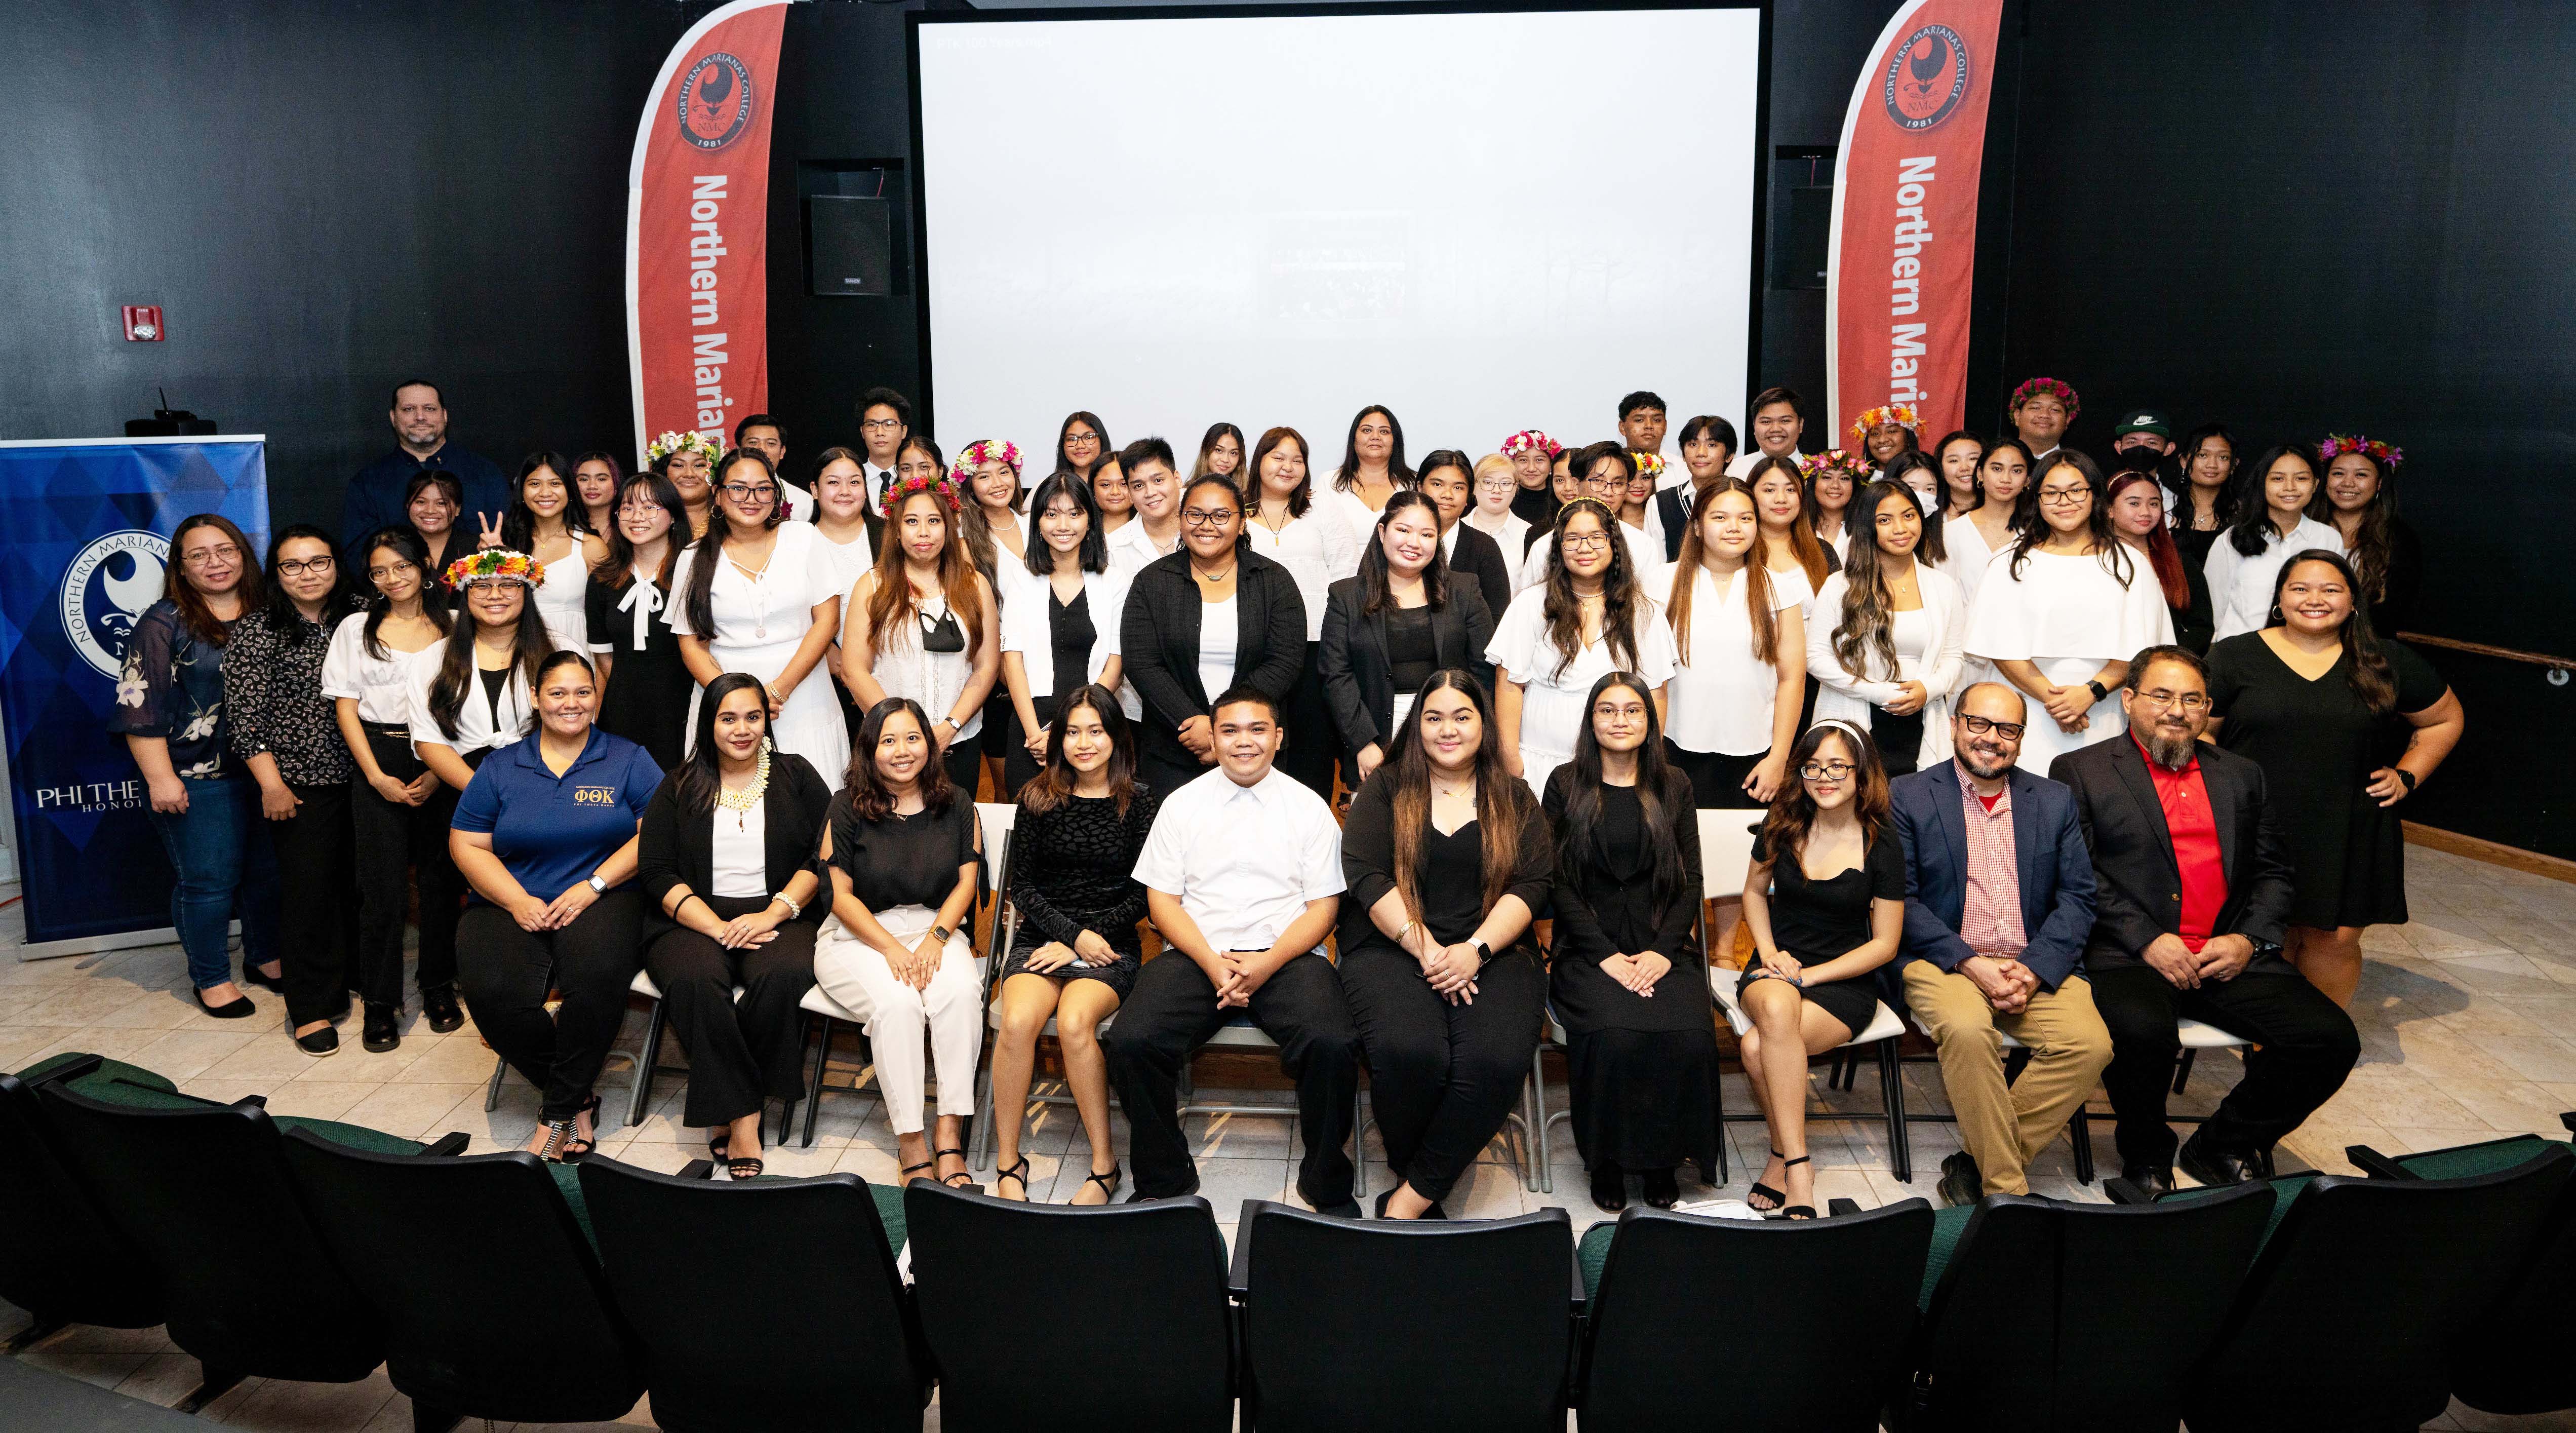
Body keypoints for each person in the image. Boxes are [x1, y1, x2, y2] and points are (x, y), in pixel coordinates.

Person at [2053, 646, 2362, 1191]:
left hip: (2226, 954)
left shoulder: (2241, 775)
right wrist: (2147, 940)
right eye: (2162, 695)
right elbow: (2077, 876)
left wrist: (2246, 940)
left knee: (2328, 1038)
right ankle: (2146, 1159)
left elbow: (2273, 871)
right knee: (2142, 1032)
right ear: (2128, 701)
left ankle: (2223, 1144)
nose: (2177, 709)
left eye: (2191, 699)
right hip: (2131, 955)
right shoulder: (2082, 770)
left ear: (2207, 708)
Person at [1104, 685, 1360, 1212]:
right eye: (1230, 730)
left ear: (1278, 738)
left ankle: (1323, 1180)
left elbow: (1323, 909)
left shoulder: (1308, 807)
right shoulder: (1182, 804)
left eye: (1257, 729)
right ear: (1213, 740)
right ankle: (1164, 1179)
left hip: (1285, 956)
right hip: (1198, 953)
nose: (1244, 742)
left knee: (1332, 1043)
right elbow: (1162, 902)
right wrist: (1210, 961)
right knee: (1131, 1040)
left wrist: (1264, 966)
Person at [2205, 553, 2462, 1008]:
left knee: (2334, 940)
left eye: (2331, 589)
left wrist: (2407, 775)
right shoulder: (2233, 656)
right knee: (2268, 933)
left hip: (2348, 823)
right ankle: (2268, 1039)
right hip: (2255, 821)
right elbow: (2202, 732)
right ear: (2279, 600)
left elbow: (2444, 719)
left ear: (2353, 601)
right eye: (2300, 588)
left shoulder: (2385, 659)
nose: (2314, 599)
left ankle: (2317, 1042)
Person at [1888, 683, 2113, 1202]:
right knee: (1967, 1030)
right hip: (1942, 961)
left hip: (2030, 959)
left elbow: (2078, 897)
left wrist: (2033, 968)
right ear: (1954, 725)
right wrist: (1971, 964)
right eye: (1979, 724)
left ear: (2020, 736)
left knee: (2089, 1045)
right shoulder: (1907, 794)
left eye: (2006, 729)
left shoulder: (2053, 800)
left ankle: (1974, 1162)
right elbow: (1900, 900)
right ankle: (2006, 1191)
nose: (1991, 739)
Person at [1343, 670, 1551, 1219]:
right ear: (1416, 727)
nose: (1447, 730)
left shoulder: (1514, 795)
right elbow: (1364, 874)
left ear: (1484, 725)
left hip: (1496, 950)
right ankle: (1423, 1176)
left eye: (1462, 717)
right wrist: (1427, 949)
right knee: (1411, 1053)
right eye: (1433, 718)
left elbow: (1532, 885)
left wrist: (1474, 951)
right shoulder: (1384, 789)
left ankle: (1410, 1198)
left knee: (1491, 1057)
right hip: (1393, 945)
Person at [450, 650, 661, 1161]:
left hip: (605, 897)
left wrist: (593, 885)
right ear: (536, 698)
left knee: (595, 981)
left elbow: (652, 835)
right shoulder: (501, 765)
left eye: (583, 692)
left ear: (596, 696)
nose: (572, 703)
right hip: (510, 898)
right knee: (491, 993)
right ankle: (575, 1092)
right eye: (559, 693)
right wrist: (516, 900)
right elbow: (466, 844)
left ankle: (561, 1113)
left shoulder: (628, 758)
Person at [636, 673, 829, 1181]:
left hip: (780, 913)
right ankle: (746, 1111)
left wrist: (772, 914)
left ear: (766, 721)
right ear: (709, 724)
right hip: (691, 917)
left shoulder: (796, 775)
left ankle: (736, 1110)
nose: (742, 729)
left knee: (781, 974)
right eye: (728, 718)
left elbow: (824, 855)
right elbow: (656, 869)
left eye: (753, 717)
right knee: (697, 979)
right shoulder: (678, 783)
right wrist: (716, 927)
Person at [1546, 672, 1715, 1212]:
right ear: (1590, 721)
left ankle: (1663, 1160)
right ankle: (1610, 1161)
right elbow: (1555, 883)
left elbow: (1691, 880)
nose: (1620, 720)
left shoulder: (1675, 785)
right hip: (1587, 952)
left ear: (1649, 722)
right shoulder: (1563, 783)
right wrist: (1606, 958)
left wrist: (1663, 953)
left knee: (1686, 1034)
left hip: (1663, 949)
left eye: (1632, 710)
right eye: (1607, 710)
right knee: (1615, 1036)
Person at [987, 684, 1158, 1205]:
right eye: (1073, 732)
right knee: (1017, 1021)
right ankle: (1008, 1160)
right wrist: (1069, 937)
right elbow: (1024, 888)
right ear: (1058, 739)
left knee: (1075, 1022)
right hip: (1043, 939)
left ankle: (1104, 1168)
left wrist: (1086, 940)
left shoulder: (1141, 802)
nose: (1084, 743)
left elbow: (1146, 895)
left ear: (1115, 736)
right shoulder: (1037, 797)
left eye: (1096, 731)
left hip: (1110, 943)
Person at [1736, 721, 1907, 1220]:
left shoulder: (1883, 843)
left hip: (1842, 983)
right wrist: (1768, 954)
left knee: (1753, 1047)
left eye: (1836, 766)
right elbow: (1751, 894)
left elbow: (1885, 944)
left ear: (1860, 772)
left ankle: (1777, 1156)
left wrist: (1809, 977)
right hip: (1774, 966)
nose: (1823, 777)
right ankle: (1800, 1168)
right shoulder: (1781, 823)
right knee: (1773, 1002)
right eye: (1812, 766)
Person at [811, 698, 985, 1187]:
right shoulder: (844, 806)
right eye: (888, 740)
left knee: (958, 993)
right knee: (899, 1004)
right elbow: (840, 898)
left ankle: (948, 1137)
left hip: (936, 928)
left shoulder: (956, 802)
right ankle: (911, 1141)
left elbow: (965, 884)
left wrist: (935, 940)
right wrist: (891, 948)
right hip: (858, 935)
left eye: (913, 738)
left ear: (929, 746)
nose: (902, 750)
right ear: (869, 749)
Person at [112, 515, 280, 1017]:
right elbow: (138, 705)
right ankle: (210, 978)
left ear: (243, 555)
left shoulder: (271, 611)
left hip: (268, 773)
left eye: (224, 550)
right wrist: (161, 777)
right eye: (199, 555)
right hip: (196, 776)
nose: (215, 563)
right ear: (181, 569)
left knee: (265, 874)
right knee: (209, 883)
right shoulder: (164, 623)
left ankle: (266, 957)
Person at [325, 527, 466, 1051]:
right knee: (381, 892)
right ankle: (381, 1002)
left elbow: (464, 702)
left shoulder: (454, 625)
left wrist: (437, 771)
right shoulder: (356, 628)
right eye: (380, 570)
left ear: (424, 566)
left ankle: (438, 987)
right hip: (377, 757)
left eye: (402, 566)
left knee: (439, 883)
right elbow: (344, 706)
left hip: (442, 755)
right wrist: (375, 776)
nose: (392, 578)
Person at [226, 525, 365, 1055]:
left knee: (356, 888)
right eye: (293, 565)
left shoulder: (361, 615)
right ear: (276, 573)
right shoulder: (258, 629)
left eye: (319, 562)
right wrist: (271, 784)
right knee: (309, 893)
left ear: (336, 564)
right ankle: (309, 1008)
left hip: (370, 776)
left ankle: (351, 980)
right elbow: (245, 719)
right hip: (300, 784)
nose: (308, 574)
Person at [1965, 452, 2174, 770]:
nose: (2064, 501)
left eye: (2076, 490)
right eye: (2051, 492)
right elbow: (1999, 647)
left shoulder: (2130, 564)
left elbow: (2145, 652)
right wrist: (2056, 702)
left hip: (2102, 710)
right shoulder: (2009, 562)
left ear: (2094, 495)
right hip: (2024, 709)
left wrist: (2090, 693)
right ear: (2036, 498)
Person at [670, 449, 851, 789]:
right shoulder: (693, 557)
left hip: (803, 693)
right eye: (738, 488)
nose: (751, 498)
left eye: (763, 488)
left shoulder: (804, 538)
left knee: (815, 802)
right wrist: (735, 701)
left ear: (776, 494)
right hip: (723, 702)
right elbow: (689, 644)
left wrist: (778, 690)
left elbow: (827, 622)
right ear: (718, 494)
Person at [1121, 474, 1308, 798]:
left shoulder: (1275, 581)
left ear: (1241, 524)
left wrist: (1225, 725)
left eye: (1221, 516)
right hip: (1175, 743)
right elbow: (1142, 663)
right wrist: (1194, 722)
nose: (1207, 525)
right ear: (1181, 520)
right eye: (1195, 514)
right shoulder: (1151, 583)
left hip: (1253, 747)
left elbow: (1285, 661)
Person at [1490, 496, 1676, 796]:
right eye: (1573, 539)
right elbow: (1509, 683)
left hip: (1615, 765)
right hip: (1537, 761)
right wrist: (1510, 758)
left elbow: (1656, 691)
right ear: (1558, 548)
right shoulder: (1531, 604)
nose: (1585, 548)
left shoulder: (1643, 611)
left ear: (1614, 545)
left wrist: (1646, 760)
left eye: (1596, 538)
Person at [841, 456, 999, 795]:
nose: (923, 532)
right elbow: (855, 669)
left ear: (949, 526)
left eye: (934, 521)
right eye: (912, 521)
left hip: (958, 740)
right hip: (890, 750)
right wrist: (904, 734)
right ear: (896, 531)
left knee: (956, 836)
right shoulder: (872, 586)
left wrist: (949, 727)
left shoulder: (974, 585)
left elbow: (986, 667)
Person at [1320, 491, 1496, 785]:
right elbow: (1336, 675)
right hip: (1375, 731)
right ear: (1382, 531)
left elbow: (1483, 669)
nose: (1414, 543)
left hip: (1451, 730)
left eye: (1427, 535)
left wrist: (1470, 731)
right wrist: (1363, 741)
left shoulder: (1464, 590)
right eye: (1403, 530)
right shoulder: (1346, 596)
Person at [1809, 480, 1969, 776]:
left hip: (1922, 716)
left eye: (1909, 516)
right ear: (1868, 527)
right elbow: (1816, 658)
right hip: (1854, 716)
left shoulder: (1943, 587)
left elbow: (1953, 656)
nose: (1900, 528)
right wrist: (1876, 692)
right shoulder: (1840, 586)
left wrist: (1927, 689)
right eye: (1885, 520)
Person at [1665, 479, 1808, 804]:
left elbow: (1792, 679)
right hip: (1675, 750)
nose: (1734, 528)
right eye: (1720, 517)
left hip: (1755, 757)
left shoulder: (1780, 588)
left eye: (1746, 518)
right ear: (1698, 526)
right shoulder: (1662, 583)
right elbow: (1648, 680)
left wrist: (1778, 758)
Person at [1240, 427, 1361, 796]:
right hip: (1254, 647)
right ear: (1259, 461)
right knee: (1256, 738)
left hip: (1314, 643)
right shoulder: (1235, 509)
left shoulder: (1320, 506)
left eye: (1297, 460)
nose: (1287, 467)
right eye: (1277, 457)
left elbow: (1346, 571)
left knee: (1313, 744)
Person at [999, 472, 1132, 797]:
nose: (1063, 525)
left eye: (1075, 514)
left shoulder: (1114, 581)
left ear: (1090, 520)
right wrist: (1035, 735)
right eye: (1052, 514)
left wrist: (1074, 730)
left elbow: (1116, 662)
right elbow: (1012, 658)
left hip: (1094, 726)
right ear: (1038, 521)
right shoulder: (1022, 576)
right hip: (1033, 727)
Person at [408, 549, 548, 803]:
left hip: (545, 786)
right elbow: (428, 739)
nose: (495, 595)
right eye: (482, 586)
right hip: (462, 790)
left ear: (527, 590)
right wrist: (485, 792)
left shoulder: (560, 651)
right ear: (466, 593)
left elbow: (578, 724)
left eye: (509, 584)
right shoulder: (434, 659)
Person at [586, 470, 694, 774]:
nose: (637, 517)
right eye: (628, 508)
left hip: (681, 704)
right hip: (623, 704)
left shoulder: (692, 573)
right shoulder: (601, 579)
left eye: (650, 507)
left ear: (673, 516)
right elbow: (603, 655)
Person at [341, 378, 508, 550]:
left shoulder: (485, 473)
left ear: (444, 415)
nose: (420, 417)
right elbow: (359, 554)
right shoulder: (368, 482)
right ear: (393, 417)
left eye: (429, 409)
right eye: (409, 409)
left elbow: (507, 544)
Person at [2205, 443, 2340, 642]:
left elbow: (2336, 603)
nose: (2290, 487)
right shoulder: (2232, 540)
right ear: (2263, 484)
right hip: (2241, 655)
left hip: (2308, 652)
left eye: (2301, 478)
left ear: (2315, 485)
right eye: (2278, 478)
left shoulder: (2328, 538)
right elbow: (2214, 612)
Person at [956, 439, 1030, 796]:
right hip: (998, 671)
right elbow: (973, 613)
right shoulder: (964, 540)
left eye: (1004, 472)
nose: (998, 482)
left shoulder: (1038, 524)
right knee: (1010, 785)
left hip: (1047, 659)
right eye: (984, 476)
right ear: (969, 486)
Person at [494, 451, 609, 656]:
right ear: (521, 491)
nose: (545, 493)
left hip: (575, 654)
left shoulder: (590, 546)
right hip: (516, 654)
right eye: (535, 484)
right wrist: (493, 559)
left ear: (569, 491)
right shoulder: (506, 544)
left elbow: (608, 616)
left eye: (555, 484)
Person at [1517, 444, 1664, 593]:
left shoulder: (1643, 545)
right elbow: (1527, 607)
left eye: (1618, 483)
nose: (1609, 491)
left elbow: (1652, 606)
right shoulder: (1544, 547)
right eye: (1599, 481)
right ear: (1576, 485)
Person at [2314, 433, 2421, 636]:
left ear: (2379, 484)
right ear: (2326, 480)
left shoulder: (2398, 540)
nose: (2348, 483)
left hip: (2366, 646)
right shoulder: (2305, 527)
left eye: (2361, 475)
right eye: (2338, 474)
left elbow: (2396, 611)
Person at [2108, 468, 2211, 654]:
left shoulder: (2181, 562)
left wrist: (2169, 660)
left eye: (2154, 504)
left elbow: (2200, 626)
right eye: (2134, 503)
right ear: (2109, 509)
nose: (2145, 512)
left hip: (2169, 668)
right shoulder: (2093, 559)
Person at [1411, 449, 1516, 622]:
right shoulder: (1397, 536)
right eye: (1437, 485)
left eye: (1458, 487)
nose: (1447, 495)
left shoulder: (1484, 547)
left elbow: (1497, 617)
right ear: (1420, 487)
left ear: (1469, 496)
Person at [1947, 438, 2031, 613]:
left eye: (2016, 471)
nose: (2006, 479)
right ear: (1980, 474)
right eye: (1997, 469)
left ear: (2028, 480)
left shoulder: (2037, 534)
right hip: (1964, 636)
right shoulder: (1950, 533)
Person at [1318, 405, 1412, 543]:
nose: (1375, 437)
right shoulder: (1329, 483)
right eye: (1367, 430)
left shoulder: (1413, 484)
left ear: (1395, 441)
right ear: (1354, 439)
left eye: (1384, 432)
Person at [1747, 454, 1835, 595]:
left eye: (1791, 490)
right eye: (1770, 490)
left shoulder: (1823, 551)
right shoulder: (1740, 551)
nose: (1781, 499)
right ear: (1751, 495)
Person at [1654, 415, 1736, 563]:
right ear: (1684, 454)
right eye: (1693, 445)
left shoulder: (1743, 499)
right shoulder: (1661, 503)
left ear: (1729, 456)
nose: (1701, 453)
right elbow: (1656, 566)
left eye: (1712, 445)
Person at [1105, 436, 1188, 577]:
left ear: (1177, 479)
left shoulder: (1203, 529)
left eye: (1158, 480)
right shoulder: (1114, 548)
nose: (1150, 493)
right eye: (1139, 486)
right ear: (1130, 494)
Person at [403, 469, 468, 613]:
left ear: (458, 509)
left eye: (441, 503)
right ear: (408, 505)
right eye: (421, 502)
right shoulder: (393, 548)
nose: (430, 510)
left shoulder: (476, 549)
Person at [731, 413, 814, 522]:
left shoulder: (802, 501)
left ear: (782, 452)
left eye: (771, 443)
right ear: (738, 449)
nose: (762, 449)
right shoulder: (725, 493)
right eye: (753, 442)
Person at [648, 430, 722, 540]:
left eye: (699, 466)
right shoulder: (648, 520)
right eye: (678, 465)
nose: (689, 474)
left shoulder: (730, 522)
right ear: (663, 472)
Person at [1465, 451, 1534, 562]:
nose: (1496, 490)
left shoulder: (1529, 534)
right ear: (1473, 487)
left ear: (1515, 489)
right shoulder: (1456, 530)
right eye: (1488, 482)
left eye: (1505, 484)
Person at [856, 388, 914, 518]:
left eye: (889, 424)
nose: (880, 432)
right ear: (862, 432)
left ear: (904, 431)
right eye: (872, 425)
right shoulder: (853, 480)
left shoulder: (915, 478)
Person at [1801, 449, 1867, 560]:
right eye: (1827, 477)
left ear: (1854, 487)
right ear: (1813, 485)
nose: (1835, 486)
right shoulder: (1799, 527)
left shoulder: (1866, 528)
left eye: (1844, 479)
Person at [1727, 385, 1806, 478]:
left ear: (1800, 425)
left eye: (1785, 421)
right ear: (1754, 426)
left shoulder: (1818, 470)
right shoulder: (1734, 470)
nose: (1776, 429)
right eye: (1766, 422)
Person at [2007, 377, 2077, 469]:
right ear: (2017, 416)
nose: (2044, 415)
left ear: (2067, 420)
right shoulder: (1993, 460)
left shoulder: (2077, 468)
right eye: (2036, 408)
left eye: (2055, 410)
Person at [1501, 428, 1563, 530]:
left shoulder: (1562, 497)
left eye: (1539, 460)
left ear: (1551, 464)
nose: (1531, 468)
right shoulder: (1502, 496)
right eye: (1523, 460)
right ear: (1513, 463)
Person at [1852, 403, 1922, 476]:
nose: (1882, 440)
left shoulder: (1924, 476)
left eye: (1891, 432)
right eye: (1875, 434)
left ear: (1908, 439)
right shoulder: (1857, 483)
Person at [1617, 391, 1673, 479]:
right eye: (1639, 420)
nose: (1649, 426)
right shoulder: (1611, 468)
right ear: (1622, 427)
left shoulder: (1685, 470)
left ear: (1665, 427)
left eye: (1657, 420)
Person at [570, 451, 623, 539]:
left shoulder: (628, 526)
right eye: (584, 479)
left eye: (601, 479)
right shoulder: (565, 529)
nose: (592, 486)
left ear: (616, 483)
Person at [1054, 410, 1110, 484]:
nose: (1080, 446)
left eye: (1088, 437)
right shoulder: (1048, 487)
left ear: (1102, 440)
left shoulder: (1123, 485)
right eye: (1072, 439)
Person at [1086, 451, 1132, 537]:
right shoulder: (1082, 532)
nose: (1115, 492)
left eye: (1123, 484)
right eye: (1106, 485)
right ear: (1093, 490)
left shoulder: (1151, 530)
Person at [1193, 421, 1246, 485]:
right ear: (1206, 450)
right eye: (1219, 450)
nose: (1225, 460)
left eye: (1233, 453)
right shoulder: (1186, 493)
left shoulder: (1247, 494)